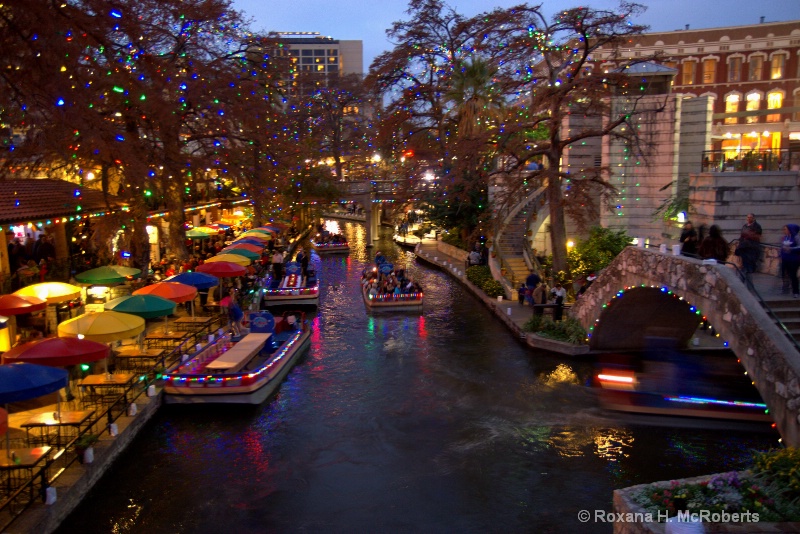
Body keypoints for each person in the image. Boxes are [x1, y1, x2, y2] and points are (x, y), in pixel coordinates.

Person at [780, 224, 800, 298]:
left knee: (793, 275)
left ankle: (796, 291)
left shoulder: (796, 237)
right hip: (785, 259)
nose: (784, 231)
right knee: (785, 274)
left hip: (794, 260)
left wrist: (791, 249)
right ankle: (785, 289)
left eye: (786, 229)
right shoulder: (785, 237)